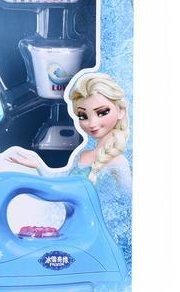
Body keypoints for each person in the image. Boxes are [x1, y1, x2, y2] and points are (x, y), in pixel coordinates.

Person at [7, 72, 131, 269]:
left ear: (121, 111)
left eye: (102, 112)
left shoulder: (118, 162)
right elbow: (62, 188)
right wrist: (38, 165)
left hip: (103, 239)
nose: (92, 123)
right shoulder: (82, 156)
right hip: (75, 236)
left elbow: (128, 206)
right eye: (83, 116)